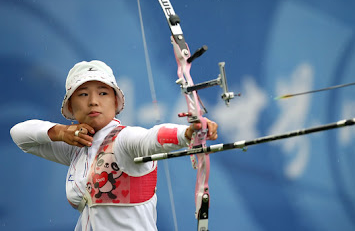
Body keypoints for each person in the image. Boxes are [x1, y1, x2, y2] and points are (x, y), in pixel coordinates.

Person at [10, 60, 218, 231]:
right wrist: (61, 132)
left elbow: (150, 138)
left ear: (116, 102)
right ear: (71, 106)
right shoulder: (76, 148)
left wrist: (187, 133)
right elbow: (20, 136)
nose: (93, 101)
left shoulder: (125, 140)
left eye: (103, 93)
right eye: (83, 94)